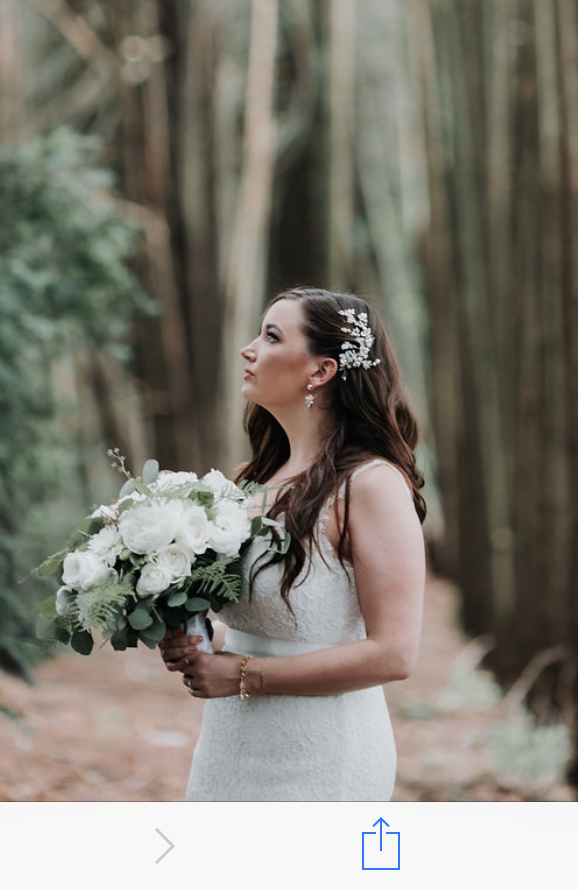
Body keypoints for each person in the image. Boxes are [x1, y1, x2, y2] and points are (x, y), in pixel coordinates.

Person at [159, 286, 426, 801]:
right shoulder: (253, 482)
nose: (248, 349)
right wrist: (202, 638)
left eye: (271, 336)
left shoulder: (371, 485)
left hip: (322, 754)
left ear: (321, 371)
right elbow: (269, 627)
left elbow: (395, 653)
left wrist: (244, 676)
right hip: (229, 744)